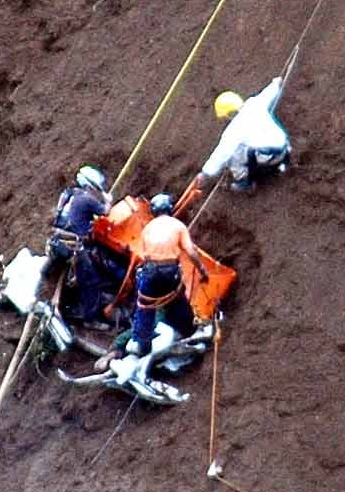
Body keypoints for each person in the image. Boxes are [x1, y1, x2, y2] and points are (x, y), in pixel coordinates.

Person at [126, 193, 209, 356]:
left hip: (150, 270)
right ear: (169, 209)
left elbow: (144, 254)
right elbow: (191, 252)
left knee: (145, 306)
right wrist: (202, 271)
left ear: (154, 211)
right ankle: (189, 331)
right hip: (170, 271)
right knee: (178, 300)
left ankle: (143, 343)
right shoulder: (178, 226)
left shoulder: (148, 228)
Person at [46, 166, 125, 324]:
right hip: (74, 247)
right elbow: (106, 212)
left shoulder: (69, 194)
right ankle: (91, 318)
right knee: (91, 280)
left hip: (58, 241)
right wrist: (107, 200)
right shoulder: (86, 199)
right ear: (90, 186)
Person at [198, 76, 291, 195]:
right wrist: (275, 83)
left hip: (269, 158)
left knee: (233, 154)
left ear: (227, 115)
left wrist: (205, 173)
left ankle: (245, 182)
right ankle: (282, 165)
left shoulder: (233, 130)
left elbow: (221, 154)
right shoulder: (254, 103)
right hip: (284, 149)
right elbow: (268, 93)